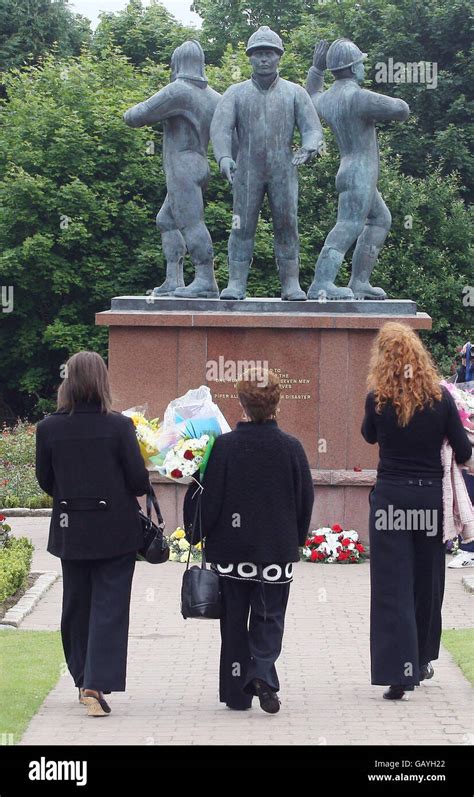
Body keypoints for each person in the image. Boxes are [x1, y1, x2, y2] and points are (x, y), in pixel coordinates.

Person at [183, 368, 314, 712]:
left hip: (230, 552)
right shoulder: (291, 448)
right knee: (269, 618)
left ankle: (236, 694)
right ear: (277, 403)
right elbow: (305, 500)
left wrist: (199, 533)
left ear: (241, 403)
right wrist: (295, 540)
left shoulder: (223, 448)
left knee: (234, 623)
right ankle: (263, 676)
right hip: (275, 552)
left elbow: (208, 501)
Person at [361, 322, 472, 700]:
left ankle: (398, 672)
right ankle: (421, 659)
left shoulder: (378, 397)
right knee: (426, 580)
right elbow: (463, 449)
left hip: (391, 497)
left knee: (392, 585)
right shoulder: (440, 398)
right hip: (427, 500)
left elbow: (368, 435)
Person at [35, 351, 150, 716]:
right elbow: (137, 481)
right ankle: (95, 683)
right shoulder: (118, 426)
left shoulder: (48, 427)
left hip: (72, 529)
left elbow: (45, 480)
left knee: (76, 605)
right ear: (102, 380)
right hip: (115, 529)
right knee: (109, 607)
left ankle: (82, 675)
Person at [210, 26, 324, 300]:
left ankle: (291, 284)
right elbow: (221, 128)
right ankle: (236, 283)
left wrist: (310, 146)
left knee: (287, 225)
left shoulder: (295, 92)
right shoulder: (235, 93)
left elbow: (312, 128)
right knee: (241, 225)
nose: (263, 59)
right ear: (250, 57)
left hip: (283, 168)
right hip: (246, 169)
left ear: (278, 57)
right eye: (258, 54)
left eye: (269, 53)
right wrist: (224, 156)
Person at [305, 39, 409, 300]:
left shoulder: (327, 99)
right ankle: (321, 282)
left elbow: (311, 95)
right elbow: (401, 109)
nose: (364, 68)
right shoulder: (358, 97)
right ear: (352, 68)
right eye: (361, 63)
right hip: (360, 173)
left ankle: (359, 281)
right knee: (348, 225)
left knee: (380, 219)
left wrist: (316, 70)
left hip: (351, 170)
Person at [124, 40, 221, 298]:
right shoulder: (214, 97)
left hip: (182, 165)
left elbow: (137, 115)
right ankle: (173, 279)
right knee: (166, 220)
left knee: (191, 222)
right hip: (200, 162)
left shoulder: (178, 90)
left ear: (176, 63)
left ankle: (205, 279)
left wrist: (128, 112)